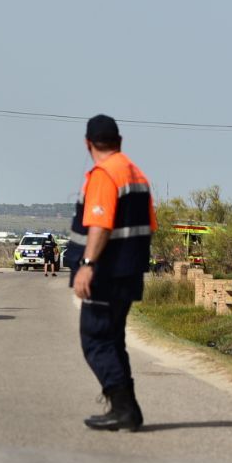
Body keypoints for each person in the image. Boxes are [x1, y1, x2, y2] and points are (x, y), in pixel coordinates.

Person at [68, 114, 156, 433]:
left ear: (88, 143)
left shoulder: (105, 174)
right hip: (129, 272)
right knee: (114, 340)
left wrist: (87, 265)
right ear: (120, 141)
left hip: (106, 273)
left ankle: (122, 407)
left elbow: (101, 224)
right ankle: (127, 410)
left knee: (96, 340)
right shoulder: (136, 174)